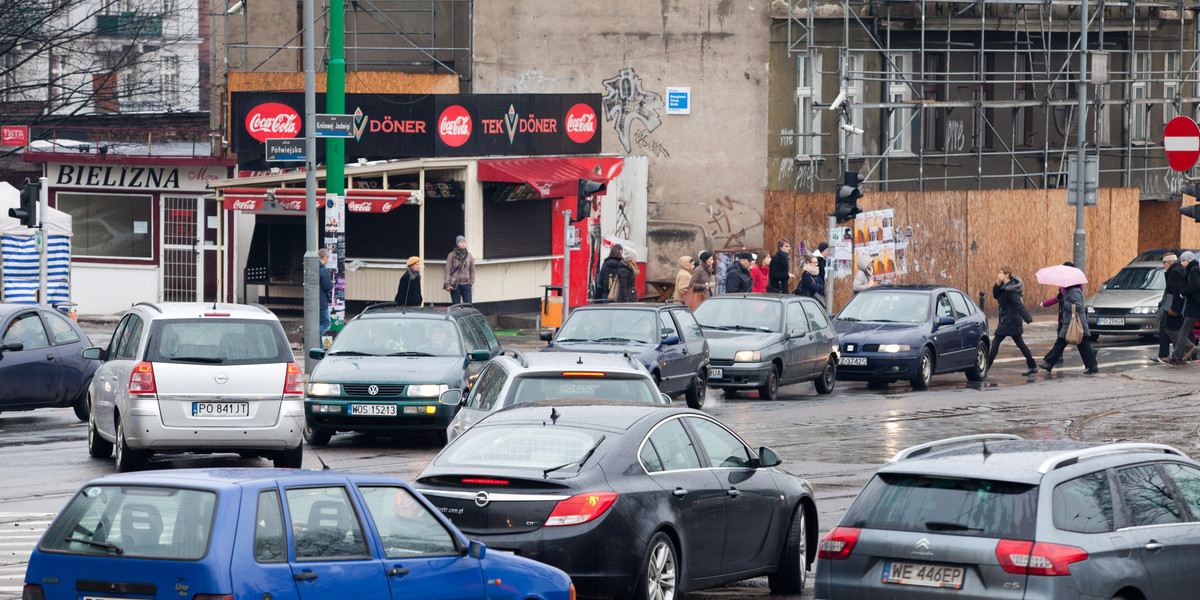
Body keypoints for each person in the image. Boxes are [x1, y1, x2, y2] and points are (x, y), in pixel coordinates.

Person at [1039, 279, 1099, 375]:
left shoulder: (1074, 291)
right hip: (1070, 322)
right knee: (1066, 343)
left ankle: (1049, 363)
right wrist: (1061, 298)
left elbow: (1078, 306)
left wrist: (1064, 303)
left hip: (1075, 323)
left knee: (1066, 342)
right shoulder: (1069, 290)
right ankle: (1049, 364)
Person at [989, 266, 1036, 376]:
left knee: (995, 343)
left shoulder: (1011, 289)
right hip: (1008, 320)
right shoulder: (1004, 286)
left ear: (1007, 275)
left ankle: (985, 368)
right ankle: (1032, 366)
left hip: (1010, 321)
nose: (998, 274)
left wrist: (1028, 318)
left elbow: (1019, 305)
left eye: (1000, 273)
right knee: (1020, 344)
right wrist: (997, 284)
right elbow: (995, 295)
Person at [1169, 251, 1200, 365]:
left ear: (1189, 260)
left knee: (1183, 331)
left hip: (1194, 307)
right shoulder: (1194, 269)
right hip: (1196, 306)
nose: (1182, 263)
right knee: (1184, 330)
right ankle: (1177, 356)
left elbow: (1196, 286)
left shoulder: (1193, 270)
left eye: (1184, 261)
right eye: (1181, 261)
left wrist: (1184, 293)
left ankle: (1176, 356)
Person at [1157, 252, 1184, 363]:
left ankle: (1178, 354)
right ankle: (1176, 354)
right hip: (1173, 305)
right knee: (1181, 329)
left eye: (1164, 263)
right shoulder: (1177, 270)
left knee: (1168, 328)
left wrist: (1174, 309)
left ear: (1169, 262)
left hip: (1173, 306)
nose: (1164, 266)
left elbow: (1176, 292)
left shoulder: (1174, 272)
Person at [444, 235, 475, 305]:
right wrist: (447, 283)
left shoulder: (469, 255)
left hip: (466, 284)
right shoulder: (451, 255)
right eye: (461, 242)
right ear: (457, 244)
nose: (463, 244)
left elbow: (472, 269)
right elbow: (447, 270)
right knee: (456, 305)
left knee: (468, 305)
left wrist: (471, 282)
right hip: (455, 284)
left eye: (464, 242)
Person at [318, 247, 333, 336]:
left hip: (313, 302)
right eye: (328, 258)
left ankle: (318, 346)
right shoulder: (323, 270)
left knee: (318, 323)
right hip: (322, 302)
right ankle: (313, 336)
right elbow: (328, 286)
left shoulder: (313, 268)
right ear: (325, 258)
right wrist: (332, 284)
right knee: (326, 323)